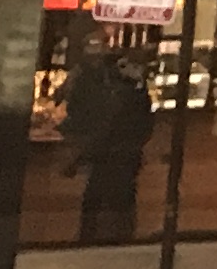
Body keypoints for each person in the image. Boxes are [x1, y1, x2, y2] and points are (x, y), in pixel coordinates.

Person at [58, 28, 151, 247]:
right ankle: (110, 240)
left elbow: (113, 121)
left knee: (104, 200)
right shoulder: (103, 80)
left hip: (115, 153)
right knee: (111, 201)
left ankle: (97, 240)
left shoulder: (116, 86)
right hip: (118, 153)